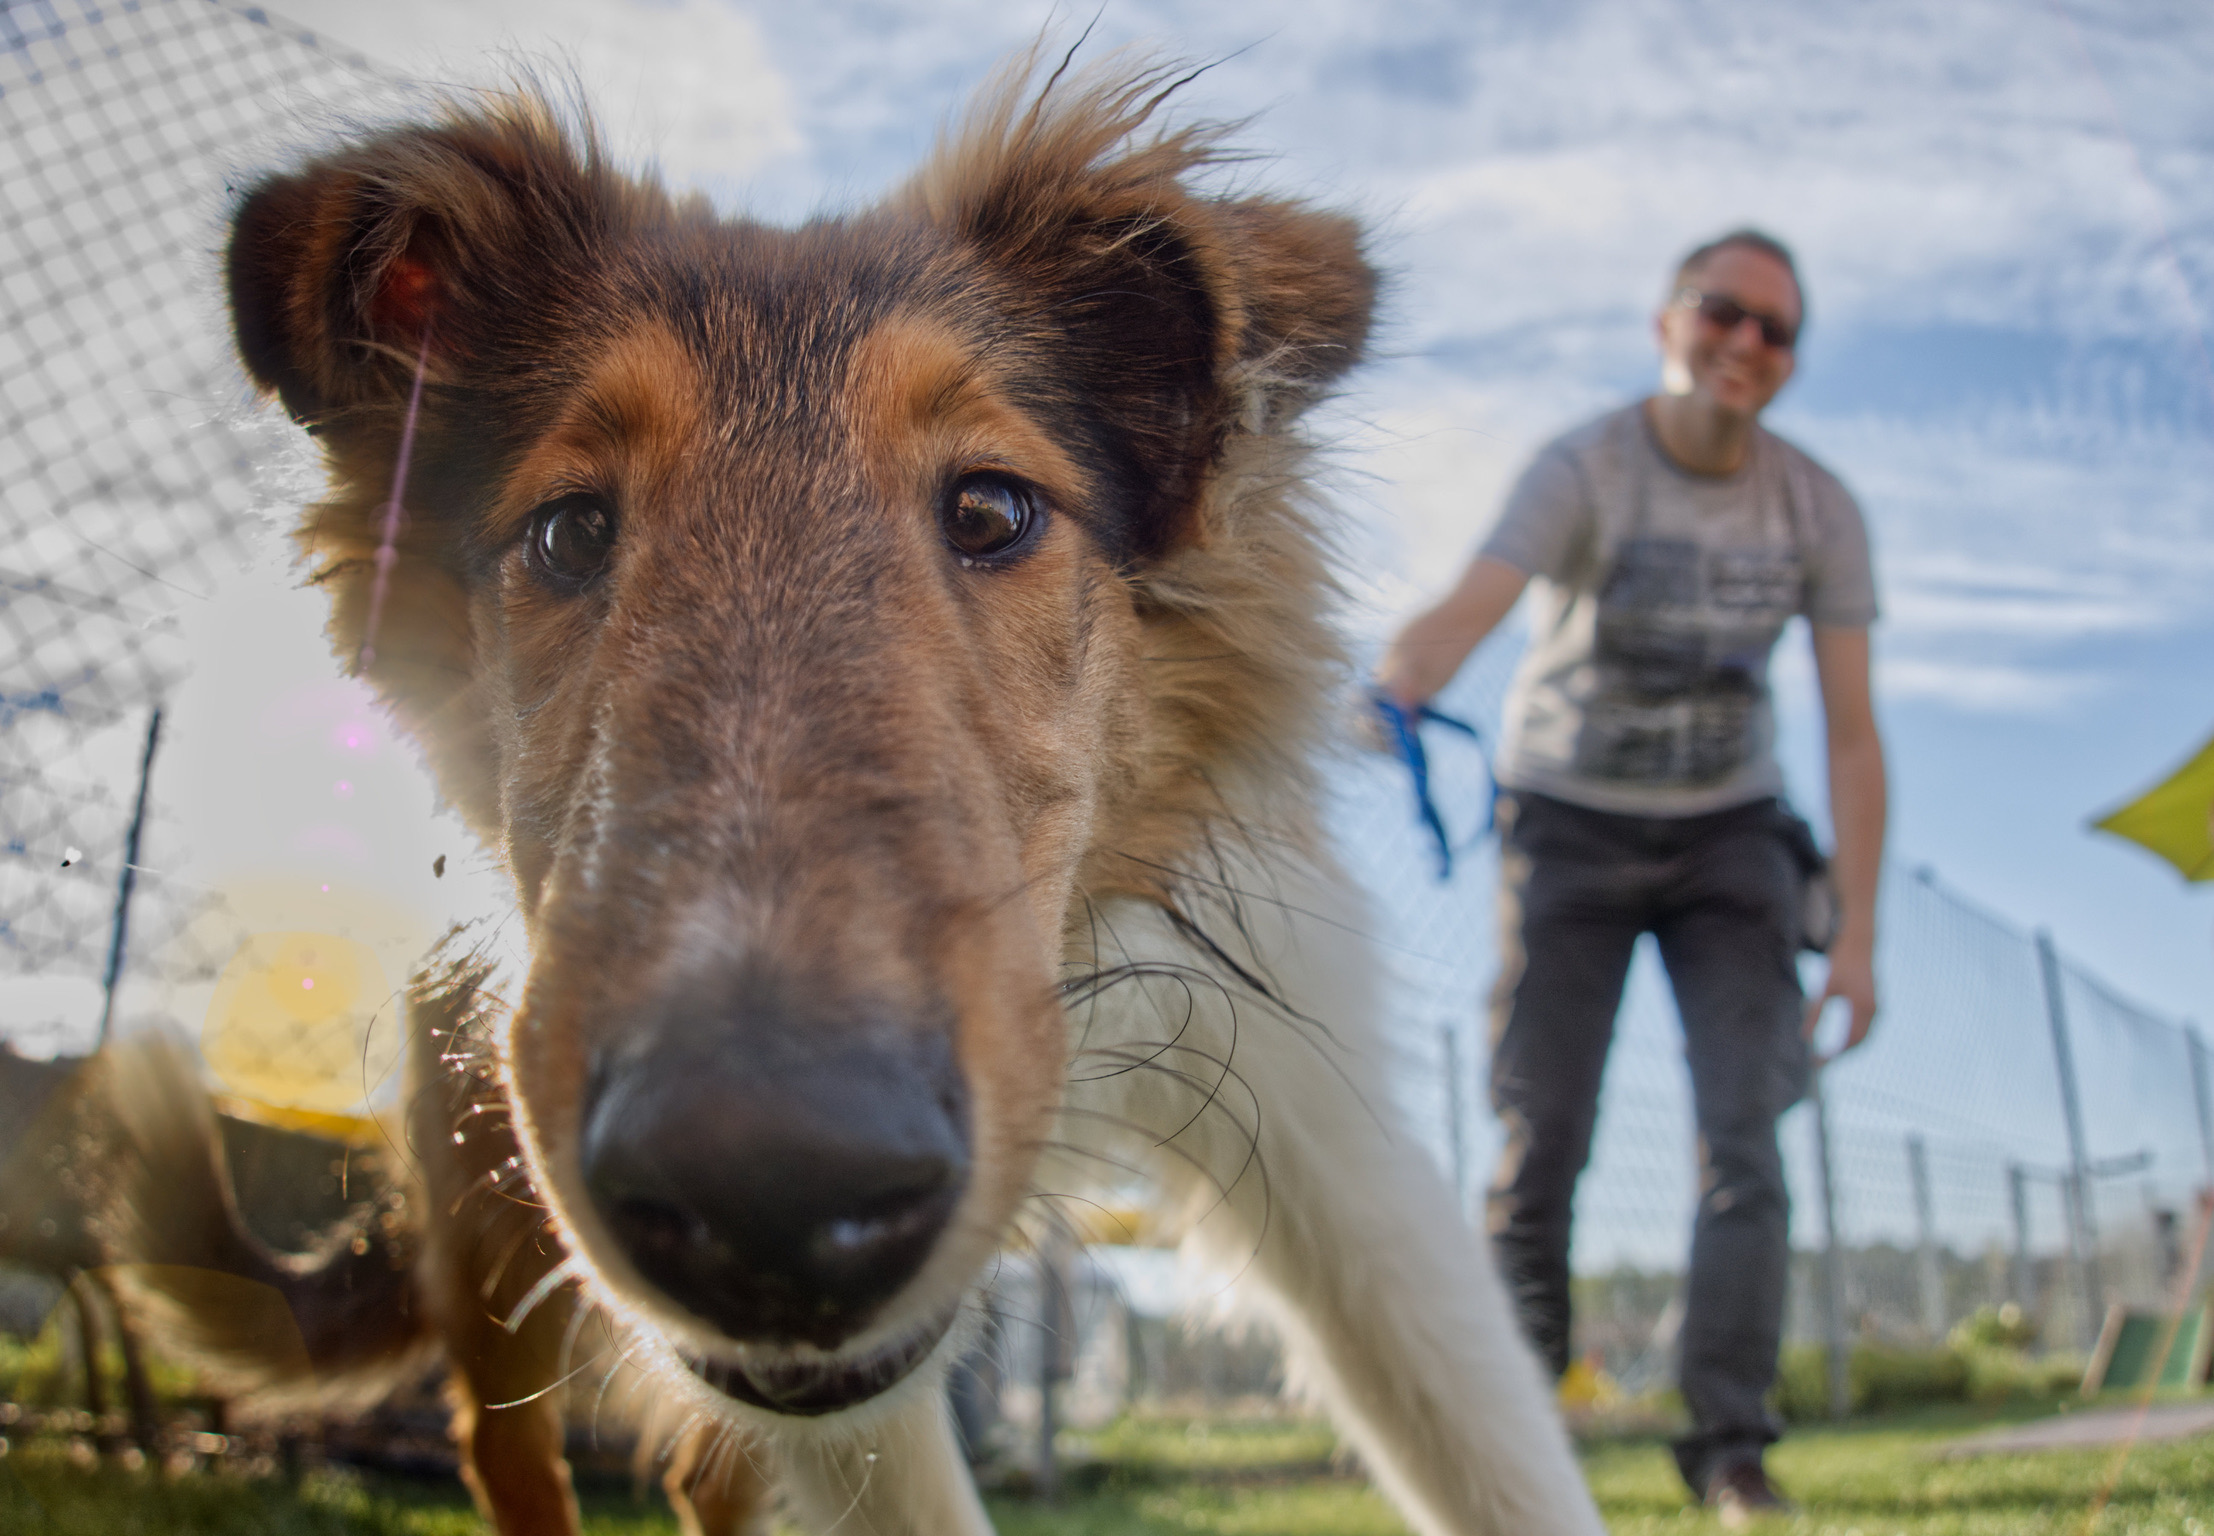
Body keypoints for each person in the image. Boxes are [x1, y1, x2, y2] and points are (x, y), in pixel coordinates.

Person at [1376, 229, 1886, 1524]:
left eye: (1777, 330)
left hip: (1730, 841)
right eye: (1724, 311)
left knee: (1743, 1142)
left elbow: (1847, 731)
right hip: (1568, 827)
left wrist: (1860, 940)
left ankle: (1728, 1450)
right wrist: (1395, 686)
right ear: (1667, 321)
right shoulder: (1584, 467)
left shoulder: (1815, 508)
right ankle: (1509, 1439)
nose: (1747, 344)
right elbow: (1469, 606)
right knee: (1539, 1137)